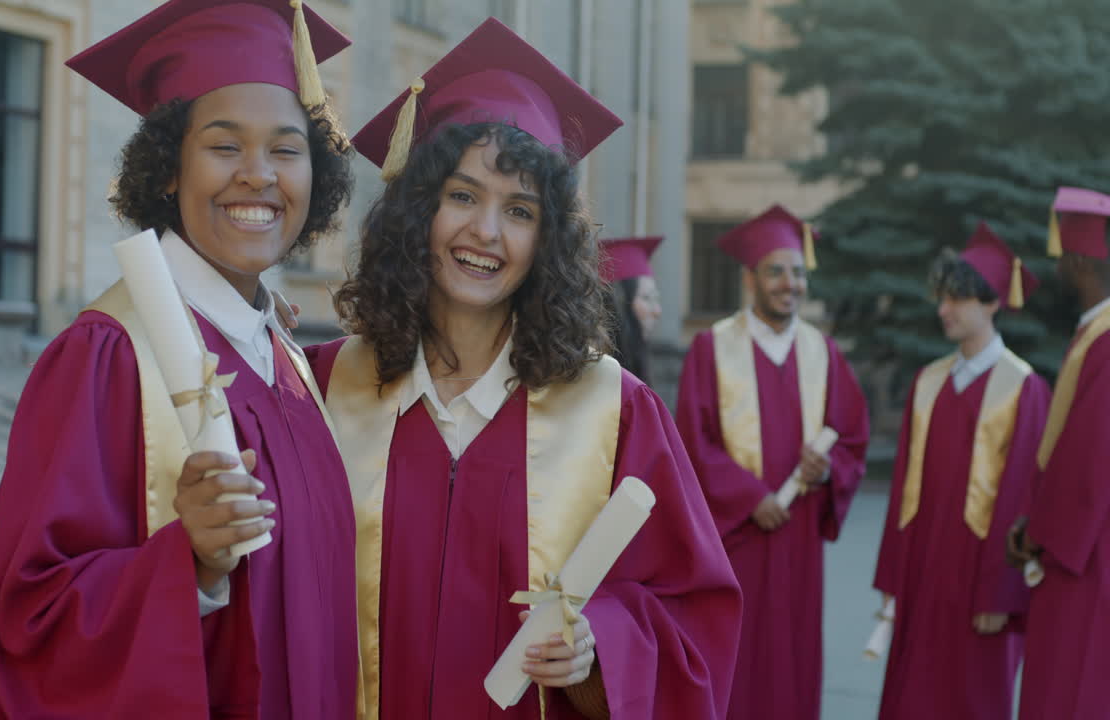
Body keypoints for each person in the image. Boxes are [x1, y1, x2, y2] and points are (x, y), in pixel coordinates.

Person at [305, 18, 741, 720]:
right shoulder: (326, 388)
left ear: (547, 239)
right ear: (420, 208)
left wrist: (601, 647)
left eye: (519, 210)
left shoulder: (613, 411)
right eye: (462, 195)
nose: (486, 232)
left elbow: (692, 614)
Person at [0, 2, 358, 717]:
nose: (259, 175)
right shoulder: (107, 357)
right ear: (167, 173)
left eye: (285, 148)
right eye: (223, 146)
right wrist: (190, 564)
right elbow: (33, 619)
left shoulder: (286, 359)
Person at [673, 204, 870, 720]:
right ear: (751, 278)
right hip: (737, 538)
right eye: (777, 271)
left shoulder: (824, 353)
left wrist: (826, 471)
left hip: (799, 535)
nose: (791, 283)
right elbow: (695, 444)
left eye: (799, 272)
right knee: (737, 658)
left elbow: (851, 437)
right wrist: (750, 496)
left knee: (793, 659)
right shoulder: (711, 350)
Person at [872, 222, 1049, 719]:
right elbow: (904, 488)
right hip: (924, 575)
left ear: (992, 303)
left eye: (957, 299)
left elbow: (1024, 500)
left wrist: (1004, 594)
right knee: (914, 696)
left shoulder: (1023, 389)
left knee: (973, 699)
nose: (943, 309)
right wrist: (893, 578)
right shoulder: (927, 384)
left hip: (981, 586)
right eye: (942, 298)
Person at [1011, 186, 1110, 720]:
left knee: (1071, 689)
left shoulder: (1107, 341)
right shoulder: (1093, 333)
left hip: (1088, 556)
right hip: (1080, 542)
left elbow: (1090, 463)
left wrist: (1038, 534)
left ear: (1080, 260)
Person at [599, 236, 664, 382]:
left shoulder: (633, 372)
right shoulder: (599, 380)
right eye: (647, 298)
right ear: (617, 304)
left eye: (656, 299)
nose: (657, 311)